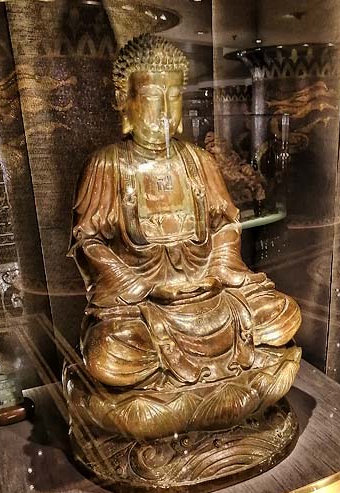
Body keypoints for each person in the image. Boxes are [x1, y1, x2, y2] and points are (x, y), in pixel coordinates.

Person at [66, 35, 301, 445]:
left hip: (211, 294)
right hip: (144, 307)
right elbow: (89, 241)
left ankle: (185, 404)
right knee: (109, 353)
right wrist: (136, 282)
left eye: (173, 97)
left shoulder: (198, 161)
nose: (163, 111)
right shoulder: (108, 165)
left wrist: (221, 267)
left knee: (281, 315)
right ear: (124, 100)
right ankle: (220, 400)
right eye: (151, 97)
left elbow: (225, 223)